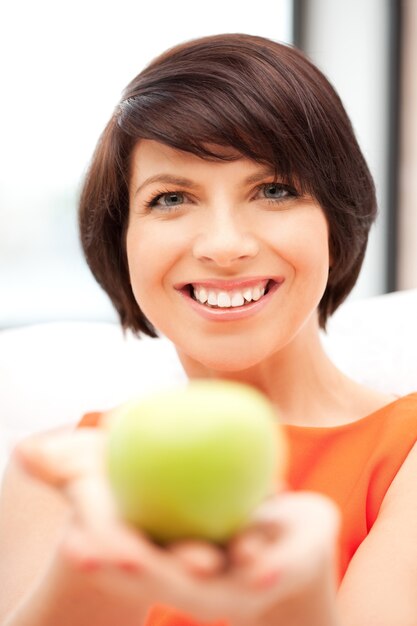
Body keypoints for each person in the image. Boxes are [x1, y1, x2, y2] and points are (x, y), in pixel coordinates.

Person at [1, 32, 417, 626]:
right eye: (171, 198)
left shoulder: (408, 458)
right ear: (121, 242)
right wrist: (89, 580)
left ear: (336, 222)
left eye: (274, 190)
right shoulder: (63, 472)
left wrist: (292, 599)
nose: (224, 247)